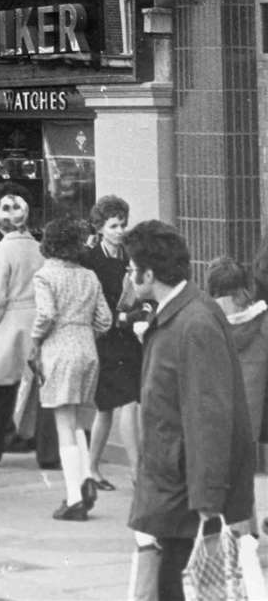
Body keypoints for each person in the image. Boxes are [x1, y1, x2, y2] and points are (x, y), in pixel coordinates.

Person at [126, 219, 255, 601]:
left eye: (132, 269)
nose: (129, 276)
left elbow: (208, 416)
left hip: (182, 497)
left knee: (177, 588)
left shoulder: (193, 322)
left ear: (149, 273)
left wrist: (208, 501)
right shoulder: (181, 314)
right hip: (171, 487)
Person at [30, 215, 112, 521]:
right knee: (78, 419)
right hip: (87, 349)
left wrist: (36, 340)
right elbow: (104, 319)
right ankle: (85, 478)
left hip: (58, 349)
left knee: (63, 421)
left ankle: (75, 496)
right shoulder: (90, 276)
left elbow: (46, 314)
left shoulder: (44, 275)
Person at [81, 195, 142, 489]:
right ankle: (136, 472)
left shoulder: (129, 257)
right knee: (127, 402)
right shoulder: (91, 261)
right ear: (100, 227)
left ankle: (91, 468)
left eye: (123, 225)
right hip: (105, 340)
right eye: (114, 225)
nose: (120, 230)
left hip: (129, 339)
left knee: (106, 409)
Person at [0, 191, 43, 466]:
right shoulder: (40, 249)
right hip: (34, 318)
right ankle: (34, 439)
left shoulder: (0, 251)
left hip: (8, 322)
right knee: (31, 385)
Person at [205, 256, 268, 472]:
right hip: (250, 422)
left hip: (213, 420)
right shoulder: (262, 321)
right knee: (243, 489)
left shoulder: (205, 321)